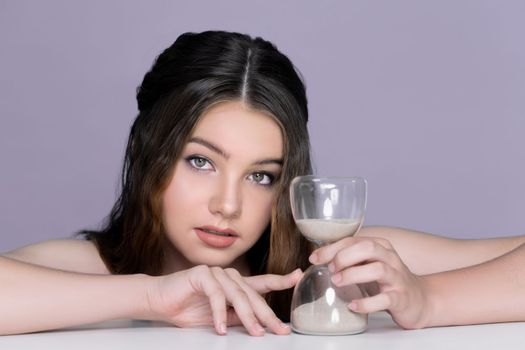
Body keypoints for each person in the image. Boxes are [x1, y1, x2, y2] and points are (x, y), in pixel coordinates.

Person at [1, 30, 524, 336]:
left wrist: (429, 299)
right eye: (201, 162)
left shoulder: (331, 266)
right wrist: (149, 298)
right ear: (146, 154)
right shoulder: (93, 269)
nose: (227, 205)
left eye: (261, 176)